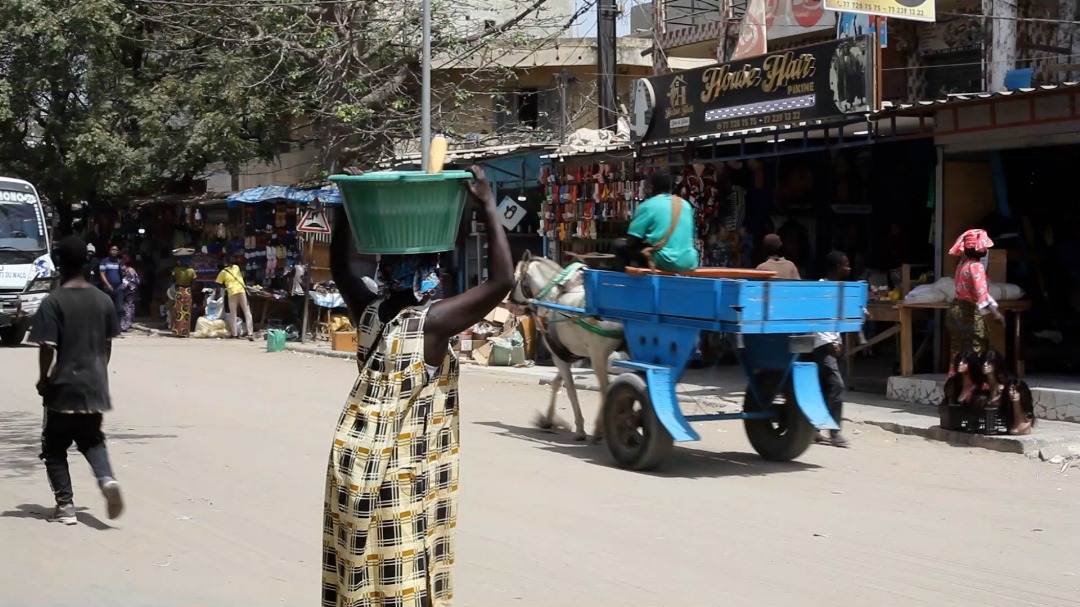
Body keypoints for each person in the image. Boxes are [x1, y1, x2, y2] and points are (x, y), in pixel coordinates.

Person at [321, 166, 513, 607]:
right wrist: (486, 205)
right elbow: (502, 282)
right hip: (395, 474)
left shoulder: (369, 310)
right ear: (427, 274)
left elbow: (338, 266)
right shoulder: (431, 323)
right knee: (405, 581)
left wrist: (346, 205)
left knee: (359, 575)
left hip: (352, 459)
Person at [29, 235, 125, 525]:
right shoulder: (104, 300)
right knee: (92, 439)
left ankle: (66, 506)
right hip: (94, 384)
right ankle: (106, 479)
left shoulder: (53, 301)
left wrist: (44, 379)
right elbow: (106, 347)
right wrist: (98, 374)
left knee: (54, 446)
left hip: (63, 386)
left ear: (60, 264)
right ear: (87, 263)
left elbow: (48, 347)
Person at [613, 171, 699, 273]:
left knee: (619, 244)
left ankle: (624, 283)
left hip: (664, 261)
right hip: (689, 261)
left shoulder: (648, 205)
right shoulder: (685, 205)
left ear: (652, 187)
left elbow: (631, 241)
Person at [946, 229, 1004, 373]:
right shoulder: (976, 267)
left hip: (955, 311)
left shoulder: (962, 264)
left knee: (957, 349)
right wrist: (996, 313)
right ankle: (977, 381)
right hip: (968, 312)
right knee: (977, 346)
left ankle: (954, 379)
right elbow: (981, 294)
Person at [809, 251, 850, 447]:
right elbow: (817, 321)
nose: (849, 268)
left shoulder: (840, 290)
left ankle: (817, 429)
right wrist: (829, 343)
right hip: (823, 344)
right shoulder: (821, 289)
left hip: (835, 342)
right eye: (845, 265)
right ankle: (833, 431)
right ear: (837, 268)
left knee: (828, 386)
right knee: (837, 385)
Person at [216, 259, 255, 341]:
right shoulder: (236, 267)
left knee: (233, 313)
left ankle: (234, 334)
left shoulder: (223, 272)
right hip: (241, 291)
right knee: (247, 312)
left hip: (232, 292)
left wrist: (225, 287)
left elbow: (218, 284)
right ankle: (250, 333)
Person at [171, 253, 197, 338]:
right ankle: (185, 332)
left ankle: (177, 331)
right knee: (186, 312)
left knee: (177, 311)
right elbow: (194, 282)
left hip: (179, 291)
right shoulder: (191, 271)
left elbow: (173, 279)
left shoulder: (176, 269)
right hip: (188, 291)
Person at [99, 244, 125, 324]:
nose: (114, 251)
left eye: (116, 250)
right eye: (112, 249)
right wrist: (107, 284)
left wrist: (123, 271)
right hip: (108, 287)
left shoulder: (120, 261)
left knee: (119, 308)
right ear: (109, 251)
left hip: (118, 287)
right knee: (108, 307)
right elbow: (102, 274)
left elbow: (124, 274)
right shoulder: (104, 261)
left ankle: (118, 327)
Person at [120, 258, 140, 332]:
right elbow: (138, 281)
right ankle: (127, 324)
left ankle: (125, 325)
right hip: (132, 291)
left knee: (127, 308)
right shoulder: (131, 270)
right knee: (130, 307)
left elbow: (125, 284)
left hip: (129, 291)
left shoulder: (128, 271)